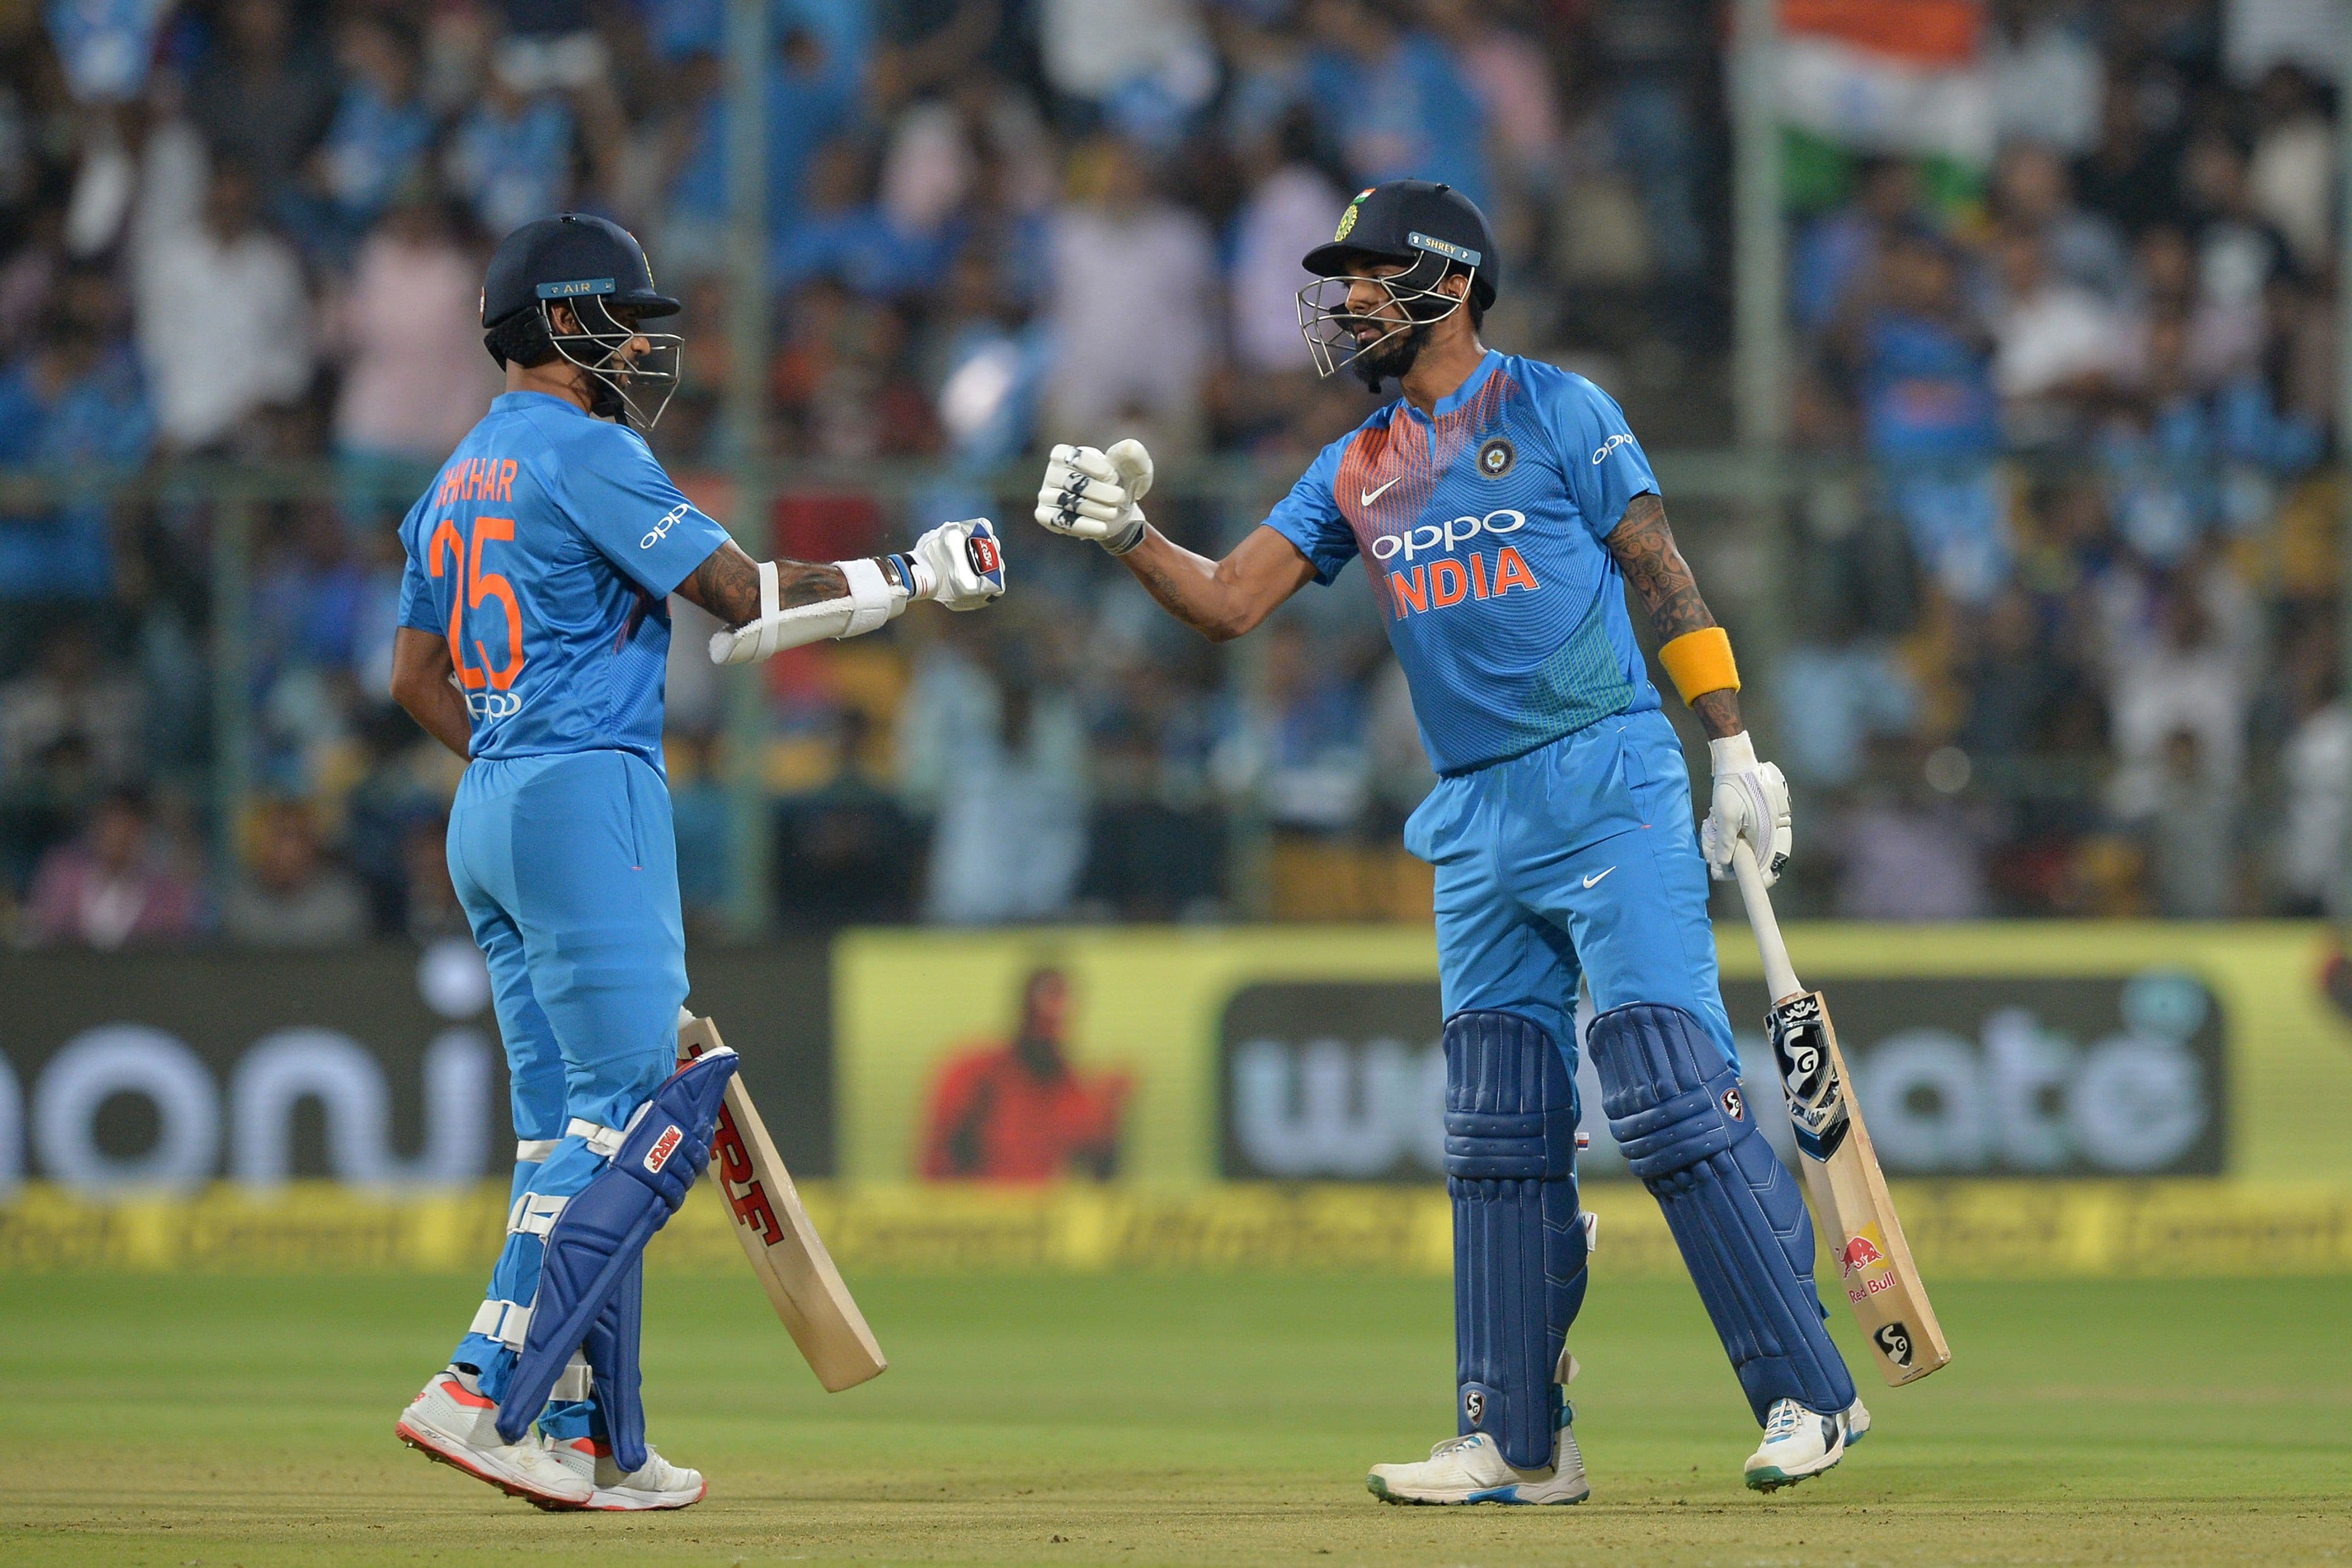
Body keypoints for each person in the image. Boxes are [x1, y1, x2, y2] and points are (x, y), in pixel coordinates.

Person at [1031, 180, 1861, 1502]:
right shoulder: (1352, 462)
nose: (1344, 298)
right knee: (1492, 1123)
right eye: (1342, 278)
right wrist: (1127, 533)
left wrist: (1729, 745)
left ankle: (1807, 1394)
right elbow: (1230, 602)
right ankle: (1515, 1439)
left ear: (1446, 281)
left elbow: (1658, 567)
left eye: (1365, 274)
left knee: (1656, 1088)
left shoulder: (1553, 407)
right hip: (1473, 809)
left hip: (1606, 775)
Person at [388, 213, 1006, 1512]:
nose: (637, 348)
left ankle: (597, 1439)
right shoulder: (588, 449)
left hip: (489, 806)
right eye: (619, 321)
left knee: (563, 1131)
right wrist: (913, 574)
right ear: (561, 324)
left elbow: (411, 676)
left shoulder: (453, 475)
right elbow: (743, 599)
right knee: (638, 1121)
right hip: (583, 789)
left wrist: (505, 758)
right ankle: (478, 1384)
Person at [918, 967, 1132, 1181]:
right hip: (974, 1209)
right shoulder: (976, 1072)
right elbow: (938, 1157)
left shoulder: (1069, 1089)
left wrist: (1109, 1118)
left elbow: (1100, 1174)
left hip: (1034, 1211)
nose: (1048, 1026)